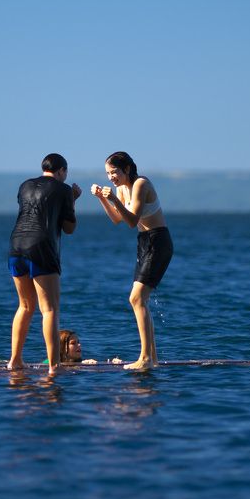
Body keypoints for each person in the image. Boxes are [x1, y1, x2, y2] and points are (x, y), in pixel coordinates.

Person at [90, 151, 173, 370]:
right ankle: (151, 358)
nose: (111, 177)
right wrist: (102, 198)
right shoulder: (121, 188)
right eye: (108, 173)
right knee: (139, 300)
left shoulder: (140, 184)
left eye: (114, 172)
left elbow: (132, 219)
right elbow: (117, 219)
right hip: (144, 241)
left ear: (127, 169)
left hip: (158, 241)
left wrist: (113, 198)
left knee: (136, 298)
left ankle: (145, 358)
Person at [8, 153, 81, 375]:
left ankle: (15, 360)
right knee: (49, 309)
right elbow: (69, 228)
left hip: (16, 245)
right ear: (61, 171)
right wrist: (72, 199)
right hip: (42, 247)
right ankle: (53, 366)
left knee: (25, 306)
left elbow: (37, 210)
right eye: (65, 173)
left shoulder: (25, 186)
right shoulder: (64, 189)